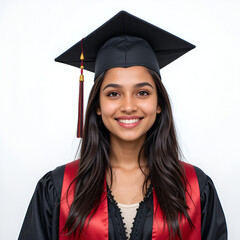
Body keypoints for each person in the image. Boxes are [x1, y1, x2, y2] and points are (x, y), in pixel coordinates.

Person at [18, 11, 227, 240]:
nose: (128, 106)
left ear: (159, 104)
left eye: (142, 92)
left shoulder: (196, 189)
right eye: (114, 93)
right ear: (98, 105)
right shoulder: (59, 189)